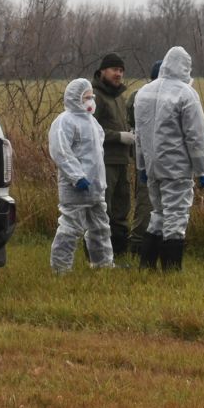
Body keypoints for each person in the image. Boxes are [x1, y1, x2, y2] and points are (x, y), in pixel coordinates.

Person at [133, 45, 204, 271]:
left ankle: (146, 264)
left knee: (158, 213)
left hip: (152, 166)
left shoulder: (144, 92)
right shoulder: (186, 94)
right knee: (176, 216)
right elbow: (195, 137)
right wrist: (203, 170)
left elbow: (139, 134)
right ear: (185, 67)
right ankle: (171, 268)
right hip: (177, 168)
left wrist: (141, 166)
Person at [48, 77, 114, 273]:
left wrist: (98, 181)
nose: (90, 101)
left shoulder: (92, 122)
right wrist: (77, 176)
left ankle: (103, 265)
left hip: (95, 188)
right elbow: (61, 152)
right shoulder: (64, 121)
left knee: (100, 228)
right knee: (70, 228)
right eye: (86, 97)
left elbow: (96, 154)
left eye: (91, 97)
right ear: (74, 98)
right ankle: (60, 269)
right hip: (75, 188)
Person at [89, 53, 140, 258]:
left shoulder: (119, 96)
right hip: (104, 162)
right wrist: (119, 136)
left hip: (121, 161)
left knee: (122, 206)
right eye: (114, 70)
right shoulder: (95, 96)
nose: (118, 74)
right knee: (104, 207)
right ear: (103, 71)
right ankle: (97, 251)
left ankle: (118, 250)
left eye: (121, 70)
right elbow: (91, 130)